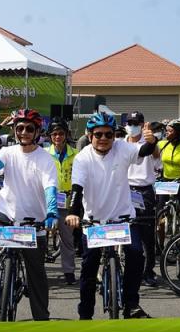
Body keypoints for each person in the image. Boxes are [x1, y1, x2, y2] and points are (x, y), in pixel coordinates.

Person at [66, 112, 157, 320]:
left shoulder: (122, 148)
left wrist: (153, 141)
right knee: (89, 268)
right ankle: (86, 313)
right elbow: (77, 189)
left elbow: (144, 150)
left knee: (136, 254)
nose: (104, 138)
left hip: (123, 218)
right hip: (95, 221)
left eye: (109, 134)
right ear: (90, 136)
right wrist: (72, 213)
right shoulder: (82, 158)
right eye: (99, 134)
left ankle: (131, 303)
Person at [0, 109, 58, 320]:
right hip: (6, 214)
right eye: (20, 128)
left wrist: (51, 211)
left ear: (37, 131)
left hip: (34, 222)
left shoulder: (45, 159)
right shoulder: (8, 152)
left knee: (36, 275)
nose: (24, 132)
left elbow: (51, 187)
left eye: (29, 128)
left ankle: (41, 318)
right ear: (14, 130)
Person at [125, 111, 162, 287]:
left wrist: (152, 142)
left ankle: (148, 271)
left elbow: (156, 159)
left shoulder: (149, 143)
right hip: (124, 190)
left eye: (136, 123)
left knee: (147, 234)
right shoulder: (120, 143)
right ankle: (130, 269)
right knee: (127, 231)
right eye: (130, 122)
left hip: (144, 191)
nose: (132, 126)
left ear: (142, 124)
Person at [44, 118, 78, 285]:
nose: (58, 137)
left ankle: (69, 271)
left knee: (67, 239)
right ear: (50, 136)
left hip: (67, 200)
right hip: (47, 200)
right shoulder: (43, 153)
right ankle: (39, 269)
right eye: (54, 134)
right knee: (41, 237)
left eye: (61, 134)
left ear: (66, 135)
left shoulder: (76, 154)